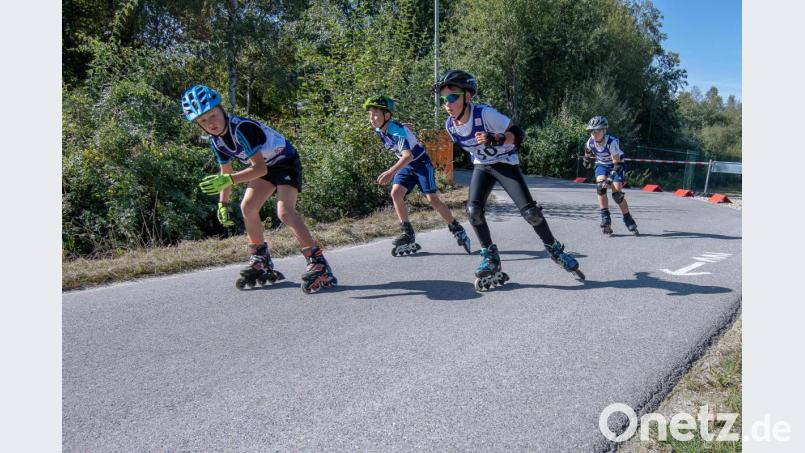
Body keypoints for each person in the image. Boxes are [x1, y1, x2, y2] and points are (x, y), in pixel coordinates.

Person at [433, 70, 585, 290]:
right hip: (483, 166)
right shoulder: (450, 126)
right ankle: (490, 258)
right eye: (443, 99)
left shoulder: (485, 115)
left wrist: (497, 138)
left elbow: (519, 135)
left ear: (468, 96)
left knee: (530, 213)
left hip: (505, 163)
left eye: (452, 96)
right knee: (473, 211)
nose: (447, 103)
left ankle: (554, 249)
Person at [180, 85, 337, 293]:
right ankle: (260, 259)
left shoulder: (242, 128)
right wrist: (223, 202)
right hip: (265, 167)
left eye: (213, 115)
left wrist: (229, 180)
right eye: (203, 121)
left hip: (285, 162)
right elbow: (225, 171)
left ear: (222, 109)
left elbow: (257, 169)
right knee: (247, 207)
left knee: (285, 212)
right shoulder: (216, 141)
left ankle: (318, 262)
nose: (210, 123)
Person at [362, 94, 472, 256]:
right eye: (370, 114)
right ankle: (408, 233)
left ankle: (457, 228)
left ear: (386, 115)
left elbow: (408, 155)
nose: (372, 118)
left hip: (420, 163)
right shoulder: (381, 129)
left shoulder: (394, 131)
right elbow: (398, 131)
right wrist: (403, 127)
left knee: (431, 199)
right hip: (407, 166)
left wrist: (390, 172)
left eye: (375, 114)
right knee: (396, 194)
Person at [583, 116, 639, 235]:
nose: (594, 134)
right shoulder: (590, 141)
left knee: (617, 195)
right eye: (592, 131)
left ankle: (628, 219)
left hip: (616, 165)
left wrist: (610, 178)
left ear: (604, 130)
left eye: (597, 131)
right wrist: (587, 159)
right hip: (601, 165)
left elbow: (617, 165)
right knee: (600, 188)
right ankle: (605, 218)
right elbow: (587, 150)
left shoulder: (611, 142)